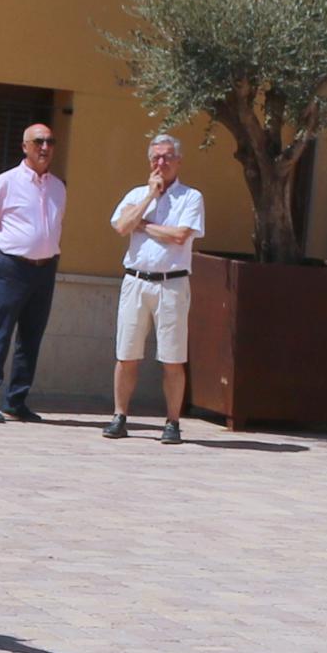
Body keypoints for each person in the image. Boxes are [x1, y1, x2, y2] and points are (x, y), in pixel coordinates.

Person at [105, 132, 206, 444]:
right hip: (135, 281)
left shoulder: (191, 197)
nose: (160, 163)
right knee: (126, 354)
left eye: (166, 157)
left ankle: (172, 422)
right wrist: (149, 197)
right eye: (155, 157)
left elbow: (180, 236)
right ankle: (120, 416)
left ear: (178, 160)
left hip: (171, 284)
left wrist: (144, 226)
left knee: (173, 358)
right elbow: (122, 226)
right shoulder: (137, 194)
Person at [0, 118, 65, 423]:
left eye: (50, 142)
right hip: (12, 266)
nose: (45, 148)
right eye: (39, 142)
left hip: (45, 268)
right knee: (1, 334)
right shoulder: (5, 182)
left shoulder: (58, 187)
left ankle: (17, 400)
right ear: (24, 147)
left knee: (31, 336)